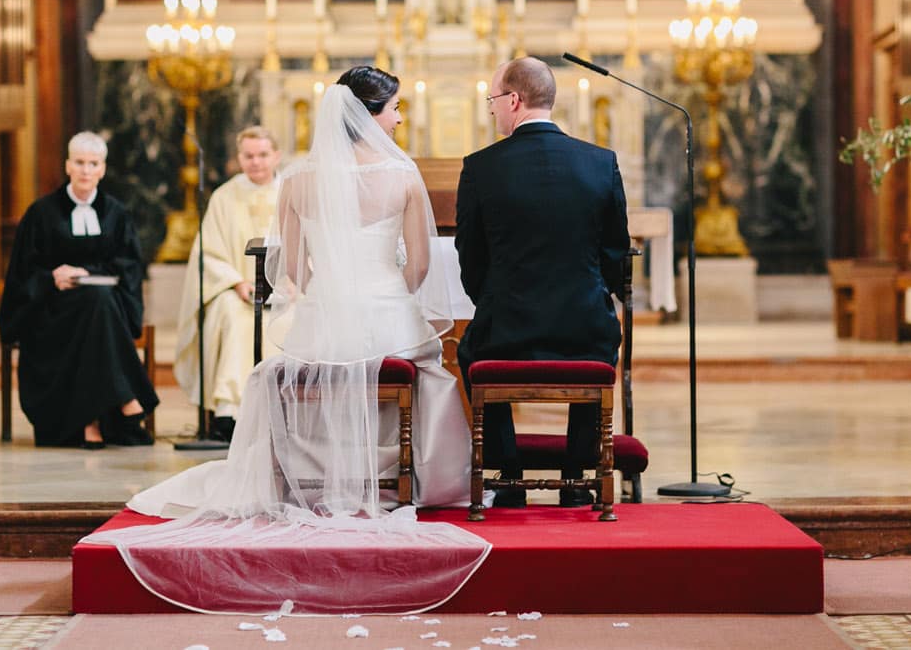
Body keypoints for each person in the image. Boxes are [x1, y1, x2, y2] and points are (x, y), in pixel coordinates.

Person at [81, 67, 486, 615]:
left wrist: (332, 297)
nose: (399, 117)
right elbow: (416, 267)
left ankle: (314, 479)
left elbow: (291, 267)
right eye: (393, 108)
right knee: (430, 370)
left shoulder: (297, 179)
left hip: (320, 315)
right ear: (368, 115)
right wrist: (382, 290)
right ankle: (407, 480)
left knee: (299, 365)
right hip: (388, 313)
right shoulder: (402, 175)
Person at [455, 56, 630, 507]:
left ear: (514, 100)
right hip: (584, 328)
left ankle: (508, 473)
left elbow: (469, 257)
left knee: (469, 349)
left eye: (493, 99)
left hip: (506, 330)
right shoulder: (600, 162)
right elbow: (615, 255)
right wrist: (594, 294)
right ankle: (574, 475)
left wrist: (493, 298)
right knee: (604, 339)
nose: (492, 109)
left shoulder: (480, 167)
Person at [0, 131, 159, 449]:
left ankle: (91, 422)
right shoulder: (41, 213)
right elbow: (22, 273)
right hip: (51, 311)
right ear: (67, 166)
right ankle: (126, 397)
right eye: (80, 163)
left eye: (93, 164)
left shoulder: (117, 214)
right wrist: (51, 278)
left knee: (97, 300)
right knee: (96, 305)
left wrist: (88, 273)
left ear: (103, 169)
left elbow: (128, 267)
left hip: (104, 309)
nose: (86, 170)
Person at [174, 126, 281, 442]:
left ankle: (284, 411)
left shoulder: (292, 192)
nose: (256, 162)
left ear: (276, 156)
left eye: (263, 154)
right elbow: (208, 253)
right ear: (239, 158)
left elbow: (310, 246)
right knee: (233, 317)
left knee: (290, 319)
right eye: (248, 155)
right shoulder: (224, 197)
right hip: (239, 291)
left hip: (287, 292)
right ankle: (228, 414)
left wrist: (288, 284)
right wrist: (235, 283)